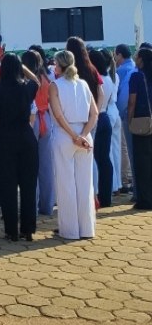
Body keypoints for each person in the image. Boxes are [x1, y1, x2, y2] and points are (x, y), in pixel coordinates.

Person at [0, 53, 39, 242]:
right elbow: (37, 80)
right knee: (28, 185)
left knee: (8, 186)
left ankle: (11, 230)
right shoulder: (26, 88)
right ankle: (28, 229)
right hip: (26, 136)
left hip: (5, 138)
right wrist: (22, 67)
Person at [49, 50, 99, 239]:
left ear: (60, 65)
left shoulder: (55, 85)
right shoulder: (84, 84)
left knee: (66, 184)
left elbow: (58, 114)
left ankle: (69, 230)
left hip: (65, 135)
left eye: (55, 63)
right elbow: (94, 113)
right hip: (84, 134)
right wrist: (83, 135)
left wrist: (74, 136)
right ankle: (87, 228)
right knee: (85, 184)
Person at [66, 37, 109, 208]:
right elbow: (101, 93)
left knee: (73, 161)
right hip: (91, 120)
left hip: (72, 121)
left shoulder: (68, 72)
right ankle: (94, 195)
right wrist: (95, 114)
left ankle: (78, 198)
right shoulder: (92, 69)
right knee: (90, 157)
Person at [21, 50, 55, 216]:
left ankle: (31, 206)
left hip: (32, 120)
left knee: (30, 165)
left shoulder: (27, 81)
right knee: (46, 165)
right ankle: (47, 205)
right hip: (46, 119)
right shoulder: (46, 78)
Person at [90, 49, 118, 206]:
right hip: (105, 116)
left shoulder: (96, 79)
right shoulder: (108, 78)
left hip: (96, 118)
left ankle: (97, 194)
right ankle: (106, 196)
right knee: (105, 159)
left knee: (95, 159)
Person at [127, 47, 152, 210]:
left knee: (142, 162)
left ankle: (145, 199)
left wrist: (130, 120)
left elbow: (132, 102)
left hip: (141, 122)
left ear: (141, 59)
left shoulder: (136, 76)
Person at [97, 49, 124, 194]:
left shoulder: (103, 77)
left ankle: (113, 185)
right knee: (115, 150)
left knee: (108, 152)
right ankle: (117, 183)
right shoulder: (114, 74)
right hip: (114, 110)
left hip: (107, 109)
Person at [115, 44, 137, 199]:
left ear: (120, 55)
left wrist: (122, 114)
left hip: (126, 114)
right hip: (141, 116)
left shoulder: (121, 71)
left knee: (126, 148)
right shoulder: (134, 67)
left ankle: (127, 179)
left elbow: (123, 97)